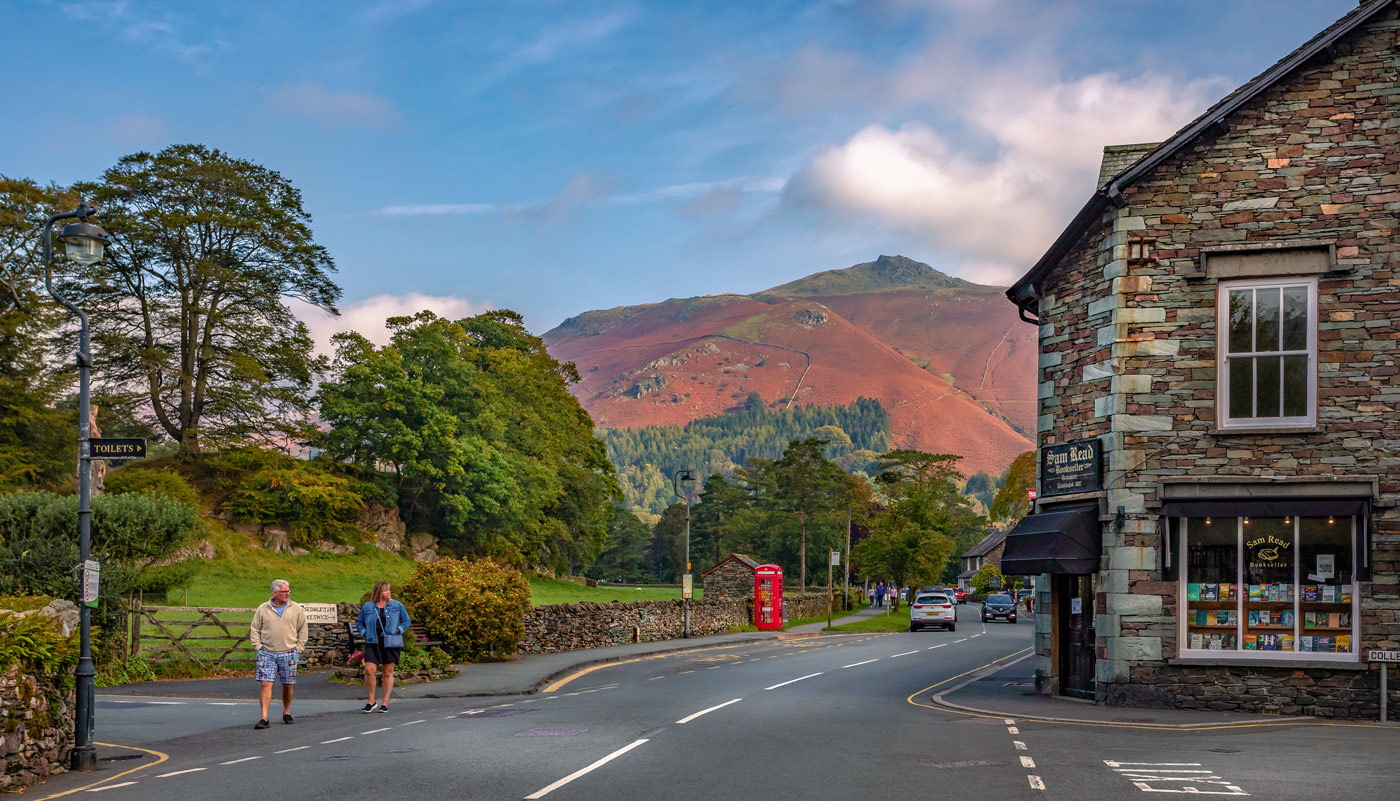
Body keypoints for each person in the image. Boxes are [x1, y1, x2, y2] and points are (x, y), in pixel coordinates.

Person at [249, 579, 307, 730]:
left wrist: (298, 648)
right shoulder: (263, 608)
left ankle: (286, 712)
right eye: (283, 591)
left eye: (288, 591)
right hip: (267, 652)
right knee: (265, 683)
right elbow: (255, 629)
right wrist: (258, 647)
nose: (287, 594)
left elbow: (303, 629)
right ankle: (264, 717)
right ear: (275, 593)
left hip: (289, 652)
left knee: (287, 684)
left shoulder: (296, 609)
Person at [355, 580, 412, 713]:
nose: (388, 592)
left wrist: (398, 629)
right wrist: (364, 632)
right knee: (369, 670)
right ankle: (371, 701)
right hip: (373, 642)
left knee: (387, 672)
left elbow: (406, 620)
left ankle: (385, 702)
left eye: (389, 590)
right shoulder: (367, 607)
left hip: (390, 642)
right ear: (379, 592)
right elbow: (360, 622)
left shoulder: (396, 605)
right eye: (386, 590)